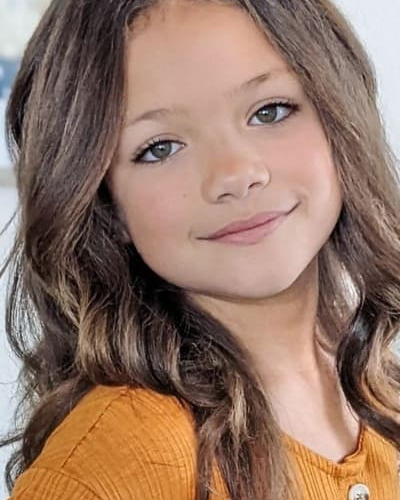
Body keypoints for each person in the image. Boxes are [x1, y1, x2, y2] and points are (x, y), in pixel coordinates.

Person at [1, 0, 399, 498]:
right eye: (160, 148)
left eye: (269, 111)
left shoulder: (380, 390)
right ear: (105, 203)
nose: (235, 174)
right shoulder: (109, 468)